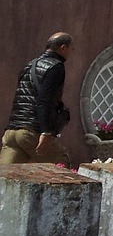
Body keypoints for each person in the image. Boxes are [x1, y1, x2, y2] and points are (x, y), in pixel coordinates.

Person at [0, 32, 74, 166]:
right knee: (61, 163)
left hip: (12, 132)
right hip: (32, 131)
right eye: (71, 49)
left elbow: (19, 97)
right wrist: (46, 131)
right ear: (63, 48)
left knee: (6, 175)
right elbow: (44, 101)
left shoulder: (29, 65)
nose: (71, 53)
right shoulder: (56, 67)